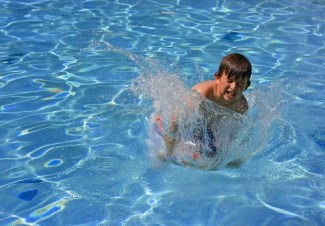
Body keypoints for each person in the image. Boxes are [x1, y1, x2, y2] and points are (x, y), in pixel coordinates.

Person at [155, 53, 252, 167]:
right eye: (229, 80)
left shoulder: (241, 106)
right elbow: (173, 124)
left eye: (240, 83)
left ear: (247, 85)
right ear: (217, 77)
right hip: (175, 126)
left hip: (205, 130)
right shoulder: (200, 96)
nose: (233, 87)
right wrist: (169, 155)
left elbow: (233, 135)